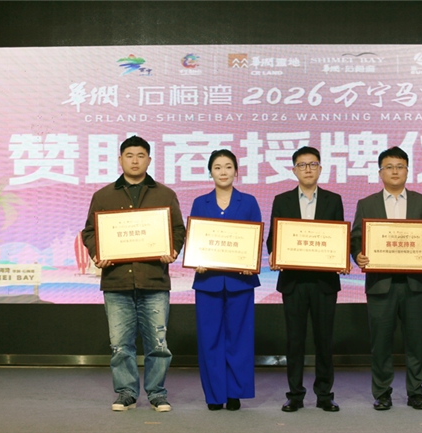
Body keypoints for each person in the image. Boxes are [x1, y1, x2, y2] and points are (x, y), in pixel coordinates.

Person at [82, 135, 185, 412]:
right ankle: (126, 392)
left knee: (158, 344)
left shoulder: (165, 194)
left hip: (154, 280)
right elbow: (90, 231)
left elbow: (178, 230)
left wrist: (172, 250)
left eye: (141, 155)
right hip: (117, 281)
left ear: (149, 160)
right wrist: (98, 253)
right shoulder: (103, 196)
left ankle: (157, 393)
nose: (135, 161)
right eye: (129, 155)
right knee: (120, 344)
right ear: (120, 160)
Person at [350, 146, 422, 411]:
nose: (395, 171)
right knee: (381, 343)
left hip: (416, 284)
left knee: (416, 342)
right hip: (381, 284)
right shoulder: (366, 204)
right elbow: (356, 238)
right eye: (389, 167)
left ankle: (416, 392)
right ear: (380, 172)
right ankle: (382, 393)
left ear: (407, 171)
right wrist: (358, 255)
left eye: (400, 167)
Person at [266, 146, 347, 413]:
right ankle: (295, 395)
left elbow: (340, 238)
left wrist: (342, 258)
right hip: (294, 282)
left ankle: (325, 395)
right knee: (295, 341)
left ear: (320, 169)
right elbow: (273, 239)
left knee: (324, 341)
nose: (308, 169)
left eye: (312, 164)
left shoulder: (334, 200)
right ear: (294, 170)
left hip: (324, 283)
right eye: (302, 165)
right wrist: (275, 253)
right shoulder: (282, 200)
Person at [190, 149, 261, 411]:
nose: (223, 172)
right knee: (209, 339)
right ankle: (214, 394)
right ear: (210, 172)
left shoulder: (249, 202)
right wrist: (196, 258)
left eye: (228, 166)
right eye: (217, 167)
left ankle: (234, 393)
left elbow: (256, 240)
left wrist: (251, 262)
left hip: (240, 282)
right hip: (207, 281)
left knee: (239, 339)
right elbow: (195, 238)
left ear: (236, 171)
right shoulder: (200, 202)